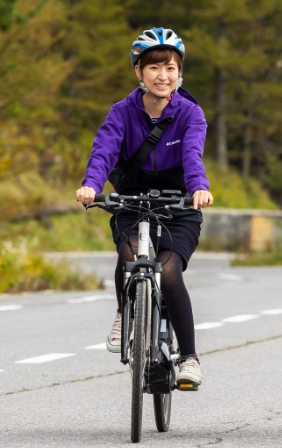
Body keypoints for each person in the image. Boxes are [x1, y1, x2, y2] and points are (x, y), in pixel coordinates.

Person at [75, 28, 214, 389]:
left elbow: (192, 156)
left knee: (168, 272)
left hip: (178, 205)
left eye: (170, 68)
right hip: (132, 202)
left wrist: (199, 188)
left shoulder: (190, 113)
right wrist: (92, 184)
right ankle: (125, 313)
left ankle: (189, 357)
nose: (162, 76)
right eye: (153, 67)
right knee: (129, 254)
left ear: (179, 72)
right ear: (138, 71)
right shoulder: (122, 112)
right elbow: (104, 151)